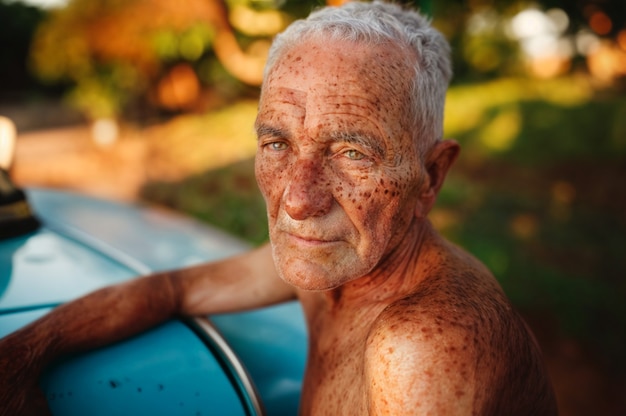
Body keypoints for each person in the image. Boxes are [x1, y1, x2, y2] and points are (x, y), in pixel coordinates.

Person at [0, 1, 558, 414]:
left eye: (351, 152)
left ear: (431, 176)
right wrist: (24, 353)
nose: (297, 199)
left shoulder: (421, 346)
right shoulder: (335, 261)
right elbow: (175, 290)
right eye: (277, 144)